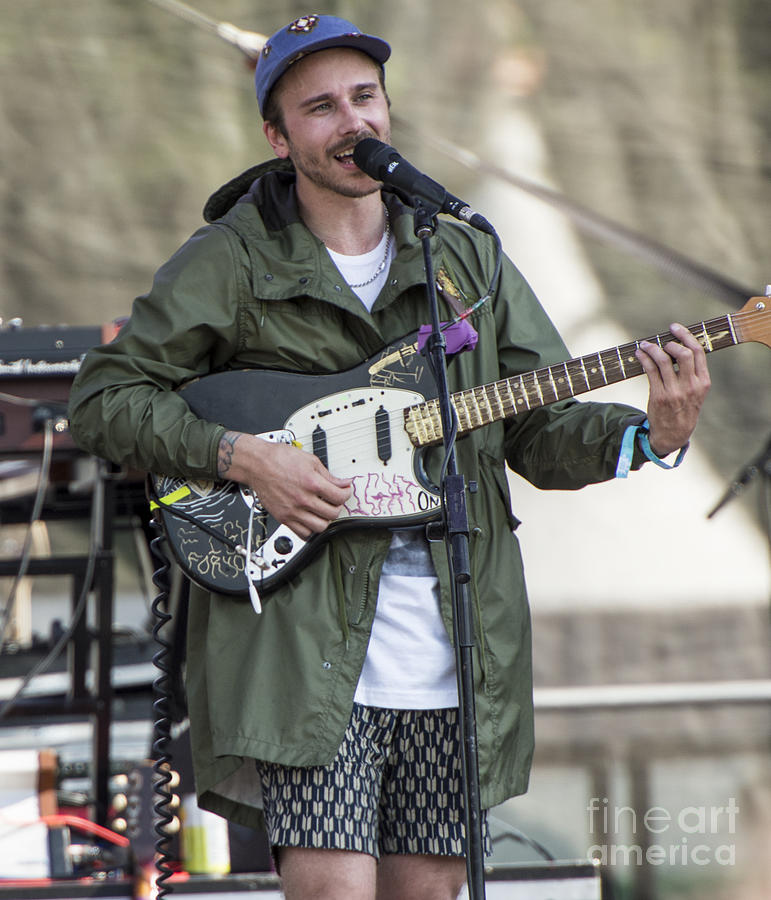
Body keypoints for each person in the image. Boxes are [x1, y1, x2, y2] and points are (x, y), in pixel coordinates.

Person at [68, 14, 711, 900]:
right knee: (333, 890)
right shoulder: (232, 258)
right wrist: (243, 457)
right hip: (298, 644)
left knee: (427, 892)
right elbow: (104, 399)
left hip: (453, 640)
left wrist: (653, 434)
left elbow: (535, 431)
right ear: (278, 134)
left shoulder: (465, 255)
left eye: (364, 98)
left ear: (388, 107)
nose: (351, 123)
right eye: (320, 107)